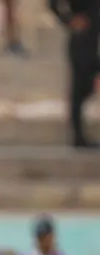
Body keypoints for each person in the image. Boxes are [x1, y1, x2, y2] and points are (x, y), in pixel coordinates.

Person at [49, 0, 100, 148]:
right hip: (81, 42)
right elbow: (52, 4)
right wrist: (69, 20)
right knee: (79, 90)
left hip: (94, 40)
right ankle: (78, 136)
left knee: (85, 88)